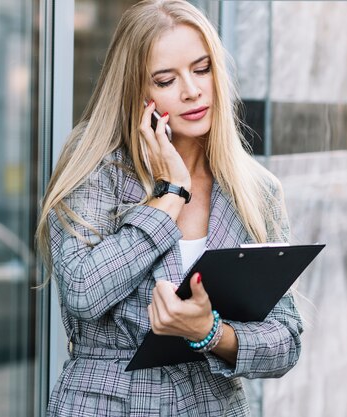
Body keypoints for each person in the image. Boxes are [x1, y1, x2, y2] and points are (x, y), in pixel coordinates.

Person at [36, 0, 303, 415]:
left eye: (202, 69)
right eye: (165, 80)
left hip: (211, 404)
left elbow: (285, 340)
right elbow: (83, 292)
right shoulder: (96, 167)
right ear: (136, 92)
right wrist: (169, 195)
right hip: (107, 402)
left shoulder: (256, 190)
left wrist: (210, 332)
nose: (192, 90)